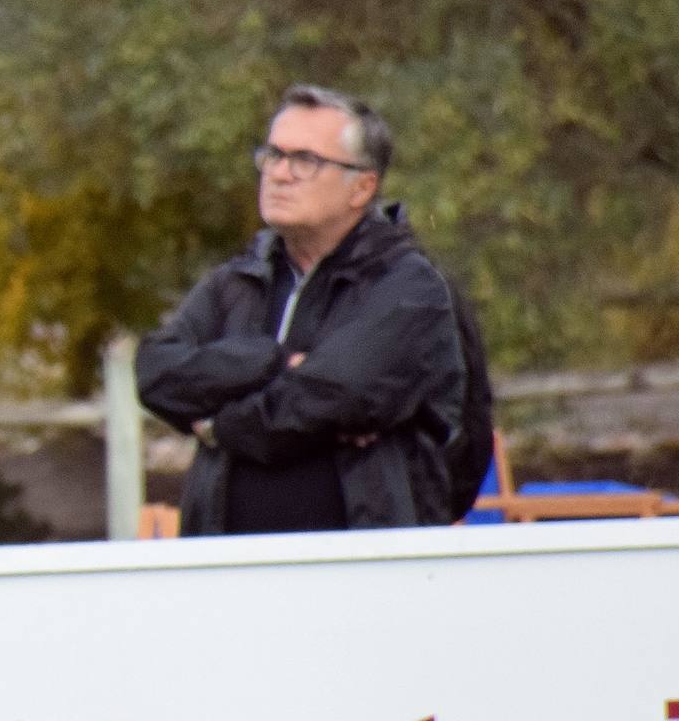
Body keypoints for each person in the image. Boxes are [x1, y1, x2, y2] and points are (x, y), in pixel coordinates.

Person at [137, 85, 467, 535]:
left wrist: (218, 425)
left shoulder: (406, 287)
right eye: (273, 155)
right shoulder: (238, 282)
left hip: (359, 566)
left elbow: (334, 397)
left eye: (305, 161)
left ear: (362, 187)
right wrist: (268, 360)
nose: (279, 174)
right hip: (225, 566)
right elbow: (157, 373)